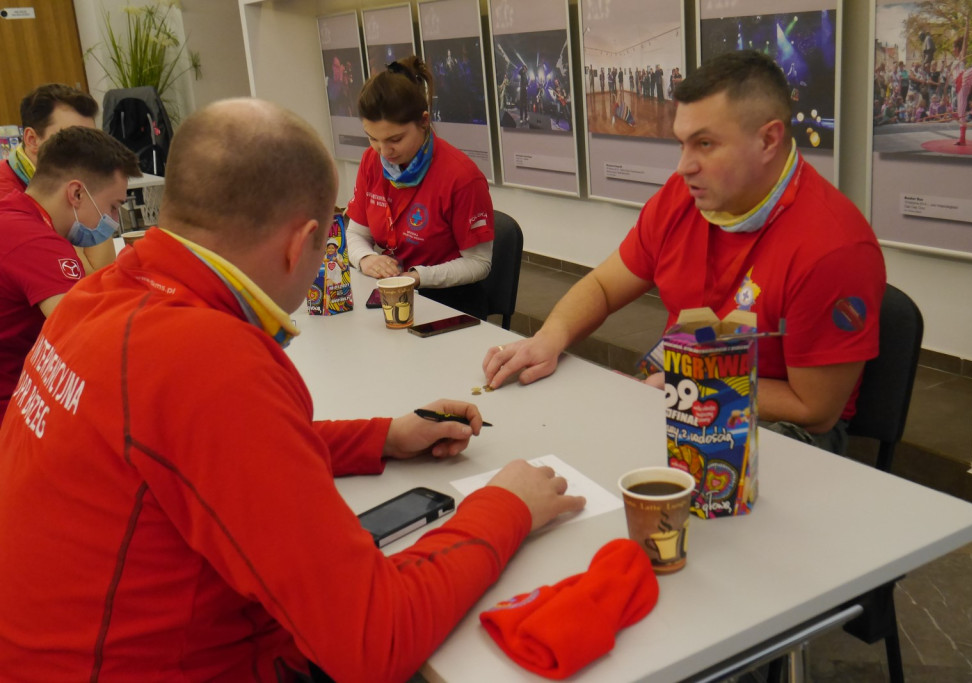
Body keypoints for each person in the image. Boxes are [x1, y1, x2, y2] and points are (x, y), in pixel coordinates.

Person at [0, 98, 584, 681]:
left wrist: (382, 437)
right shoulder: (208, 359)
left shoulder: (101, 296)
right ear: (301, 241)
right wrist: (507, 506)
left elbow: (213, 453)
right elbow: (372, 640)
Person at [482, 51, 885, 454]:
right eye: (682, 144)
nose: (683, 167)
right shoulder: (684, 198)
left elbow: (815, 410)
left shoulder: (834, 250)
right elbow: (605, 286)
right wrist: (551, 338)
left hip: (780, 422)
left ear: (768, 140)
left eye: (705, 144)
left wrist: (690, 386)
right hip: (680, 377)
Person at [0, 126, 140, 420]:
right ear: (76, 193)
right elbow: (91, 340)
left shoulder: (12, 213)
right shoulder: (38, 243)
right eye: (113, 207)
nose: (112, 222)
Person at [346, 55, 495, 318]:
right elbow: (357, 233)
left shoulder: (461, 177)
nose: (384, 151)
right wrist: (366, 259)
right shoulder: (372, 160)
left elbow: (478, 263)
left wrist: (417, 277)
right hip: (395, 295)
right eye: (373, 139)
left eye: (395, 139)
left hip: (450, 304)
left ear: (424, 121)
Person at [0, 83, 115, 275]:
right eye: (70, 138)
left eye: (91, 139)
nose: (85, 152)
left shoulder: (75, 180)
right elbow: (80, 276)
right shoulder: (6, 197)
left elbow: (105, 271)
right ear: (32, 139)